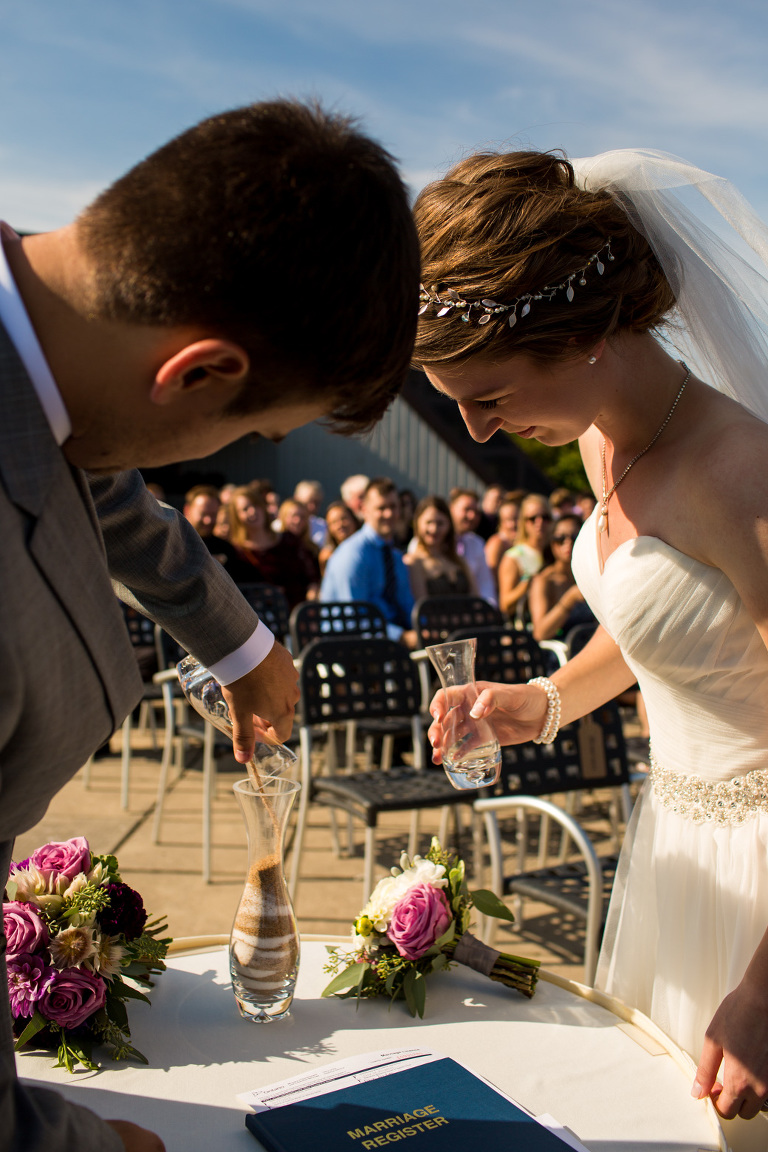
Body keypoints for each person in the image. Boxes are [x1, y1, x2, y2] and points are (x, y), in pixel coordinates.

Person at [0, 97, 419, 1152]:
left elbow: (90, 478)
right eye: (251, 430)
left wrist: (245, 649)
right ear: (199, 371)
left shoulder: (42, 351)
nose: (206, 460)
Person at [414, 144, 768, 1137]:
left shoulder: (744, 476)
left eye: (488, 397)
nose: (478, 433)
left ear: (586, 339)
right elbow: (673, 621)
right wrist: (550, 699)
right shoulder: (594, 433)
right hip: (677, 849)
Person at [320, 477, 417, 647]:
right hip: (350, 649)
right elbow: (352, 618)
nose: (388, 514)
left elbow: (406, 604)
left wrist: (423, 628)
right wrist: (401, 636)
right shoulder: (352, 554)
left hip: (389, 642)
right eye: (381, 508)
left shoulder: (394, 555)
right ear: (364, 510)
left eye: (393, 507)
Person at [228, 487, 317, 608]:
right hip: (260, 621)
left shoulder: (289, 541)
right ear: (236, 516)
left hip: (296, 616)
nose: (253, 511)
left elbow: (311, 579)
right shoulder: (236, 553)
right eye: (245, 509)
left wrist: (310, 606)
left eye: (256, 505)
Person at [527, 514, 594, 642]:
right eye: (560, 538)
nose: (568, 542)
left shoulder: (587, 574)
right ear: (552, 542)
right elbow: (540, 633)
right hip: (560, 653)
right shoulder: (544, 580)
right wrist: (570, 599)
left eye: (574, 537)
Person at [404, 495, 474, 601]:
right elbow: (422, 604)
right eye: (428, 522)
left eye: (440, 523)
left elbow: (476, 598)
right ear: (418, 524)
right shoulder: (413, 562)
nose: (434, 529)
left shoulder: (459, 561)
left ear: (449, 525)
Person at [183, 483, 254, 583]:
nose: (208, 520)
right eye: (203, 514)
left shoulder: (226, 548)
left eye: (213, 515)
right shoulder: (175, 542)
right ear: (187, 510)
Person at [497, 493, 552, 620]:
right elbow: (505, 605)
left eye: (545, 517)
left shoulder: (556, 552)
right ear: (524, 522)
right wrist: (527, 584)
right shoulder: (514, 557)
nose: (540, 522)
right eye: (533, 518)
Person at [448, 487, 497, 605]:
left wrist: (489, 609)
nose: (472, 516)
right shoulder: (432, 542)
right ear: (451, 509)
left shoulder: (477, 543)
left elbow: (486, 584)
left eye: (476, 512)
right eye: (466, 509)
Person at [484, 493, 522, 586]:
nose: (513, 524)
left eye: (517, 519)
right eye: (509, 520)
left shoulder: (518, 542)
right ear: (501, 523)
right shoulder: (497, 543)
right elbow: (490, 576)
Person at [318, 500, 360, 574]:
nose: (340, 525)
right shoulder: (327, 557)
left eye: (344, 519)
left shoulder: (367, 548)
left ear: (354, 520)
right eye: (334, 522)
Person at [293, 480, 328, 548]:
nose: (312, 507)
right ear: (296, 499)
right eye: (308, 502)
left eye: (317, 503)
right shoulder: (278, 527)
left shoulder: (323, 527)